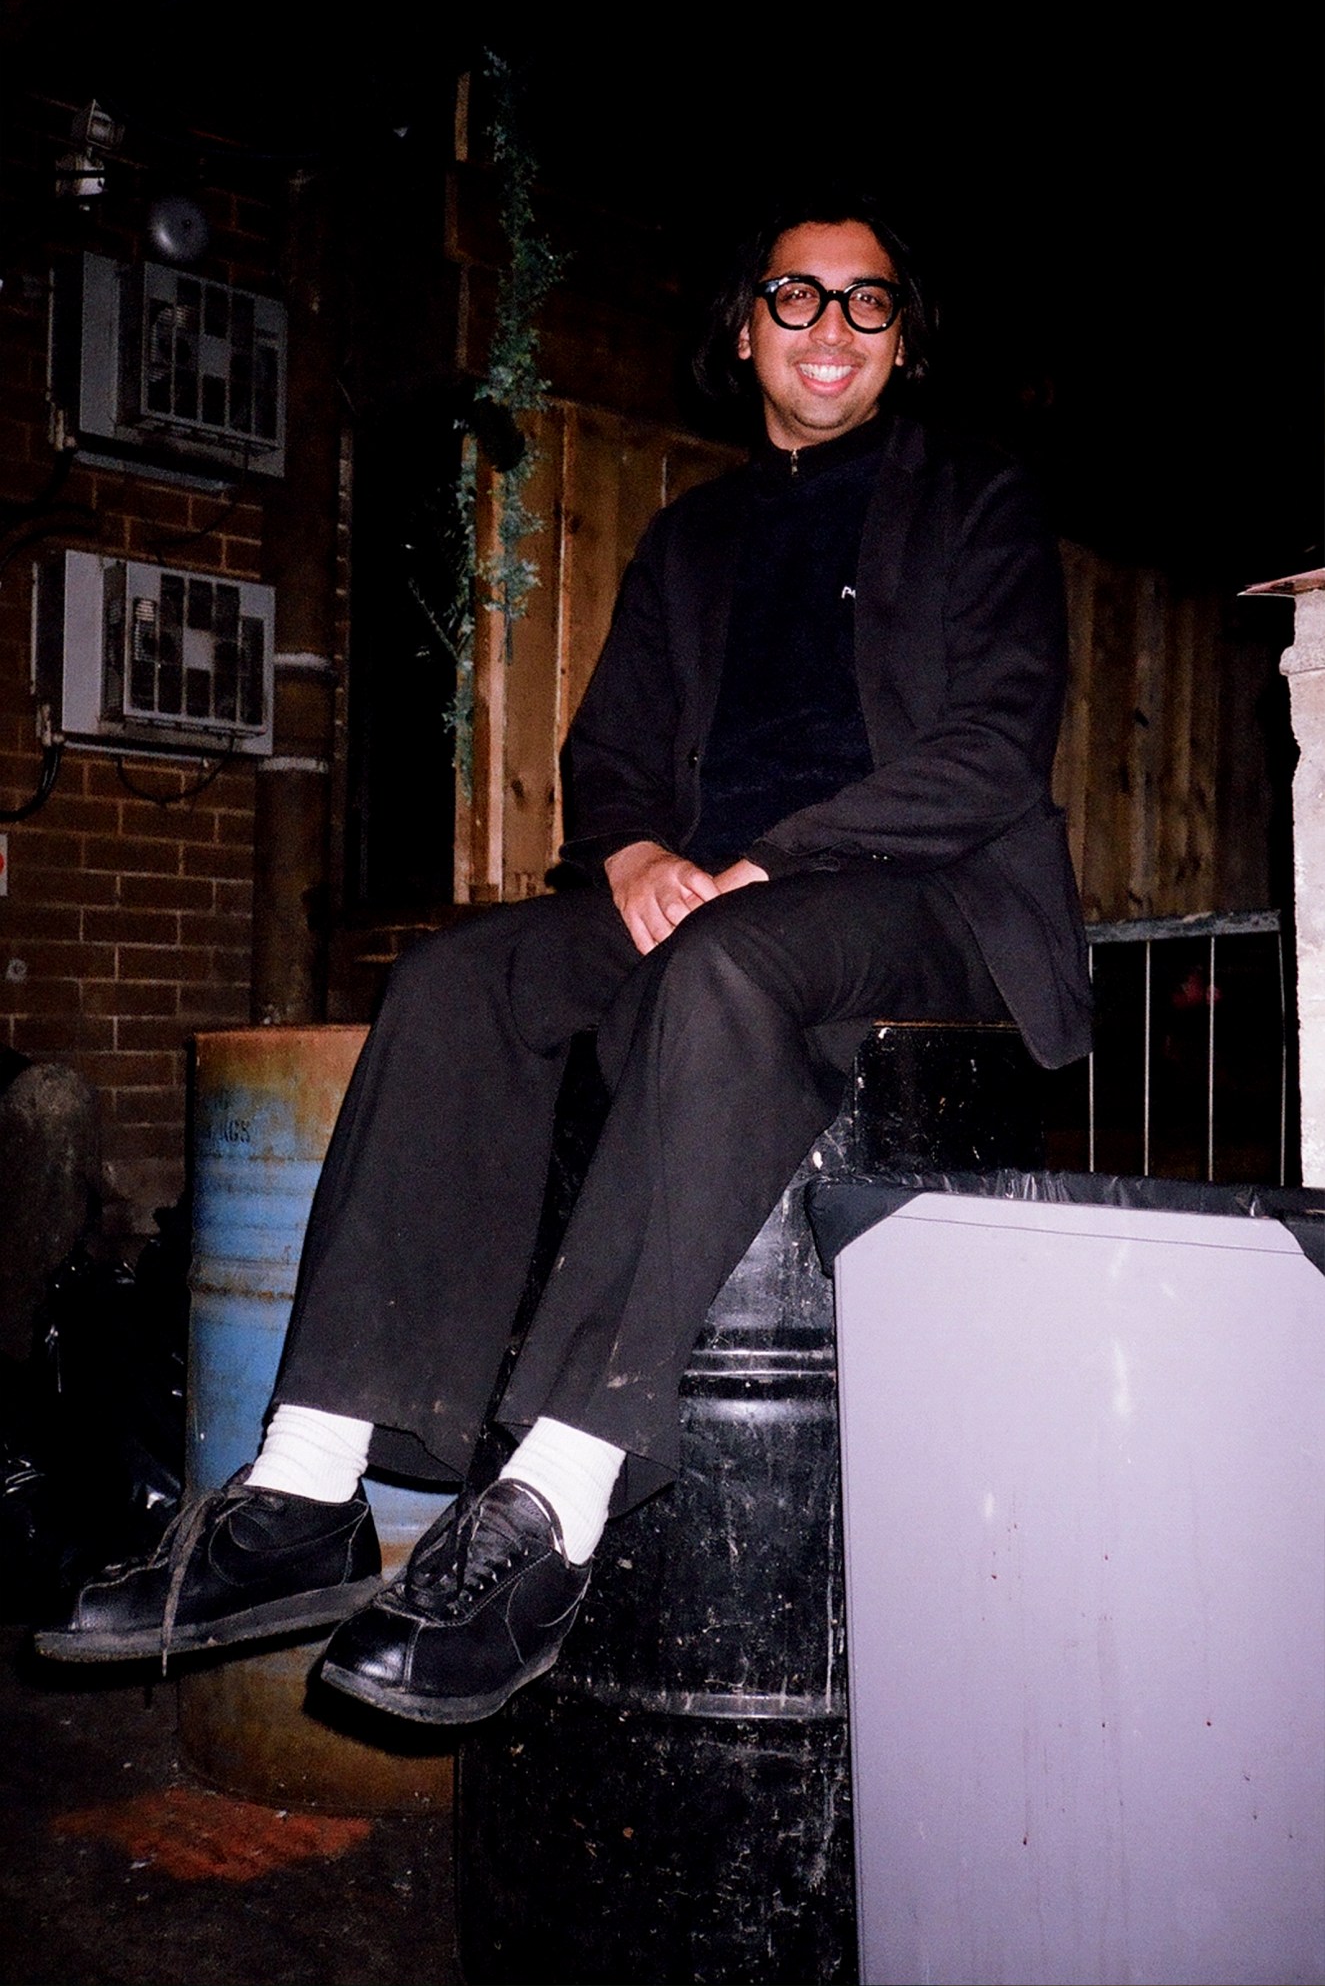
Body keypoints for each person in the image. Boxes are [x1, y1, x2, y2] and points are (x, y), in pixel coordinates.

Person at [37, 195, 1091, 1724]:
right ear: (744, 333)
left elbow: (993, 748)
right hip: (721, 892)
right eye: (795, 298)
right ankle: (310, 1483)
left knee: (723, 962)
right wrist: (636, 855)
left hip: (922, 896)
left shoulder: (974, 501)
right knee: (459, 981)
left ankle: (554, 1500)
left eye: (867, 305)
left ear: (901, 344)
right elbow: (607, 755)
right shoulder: (694, 538)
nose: (829, 328)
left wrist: (760, 862)